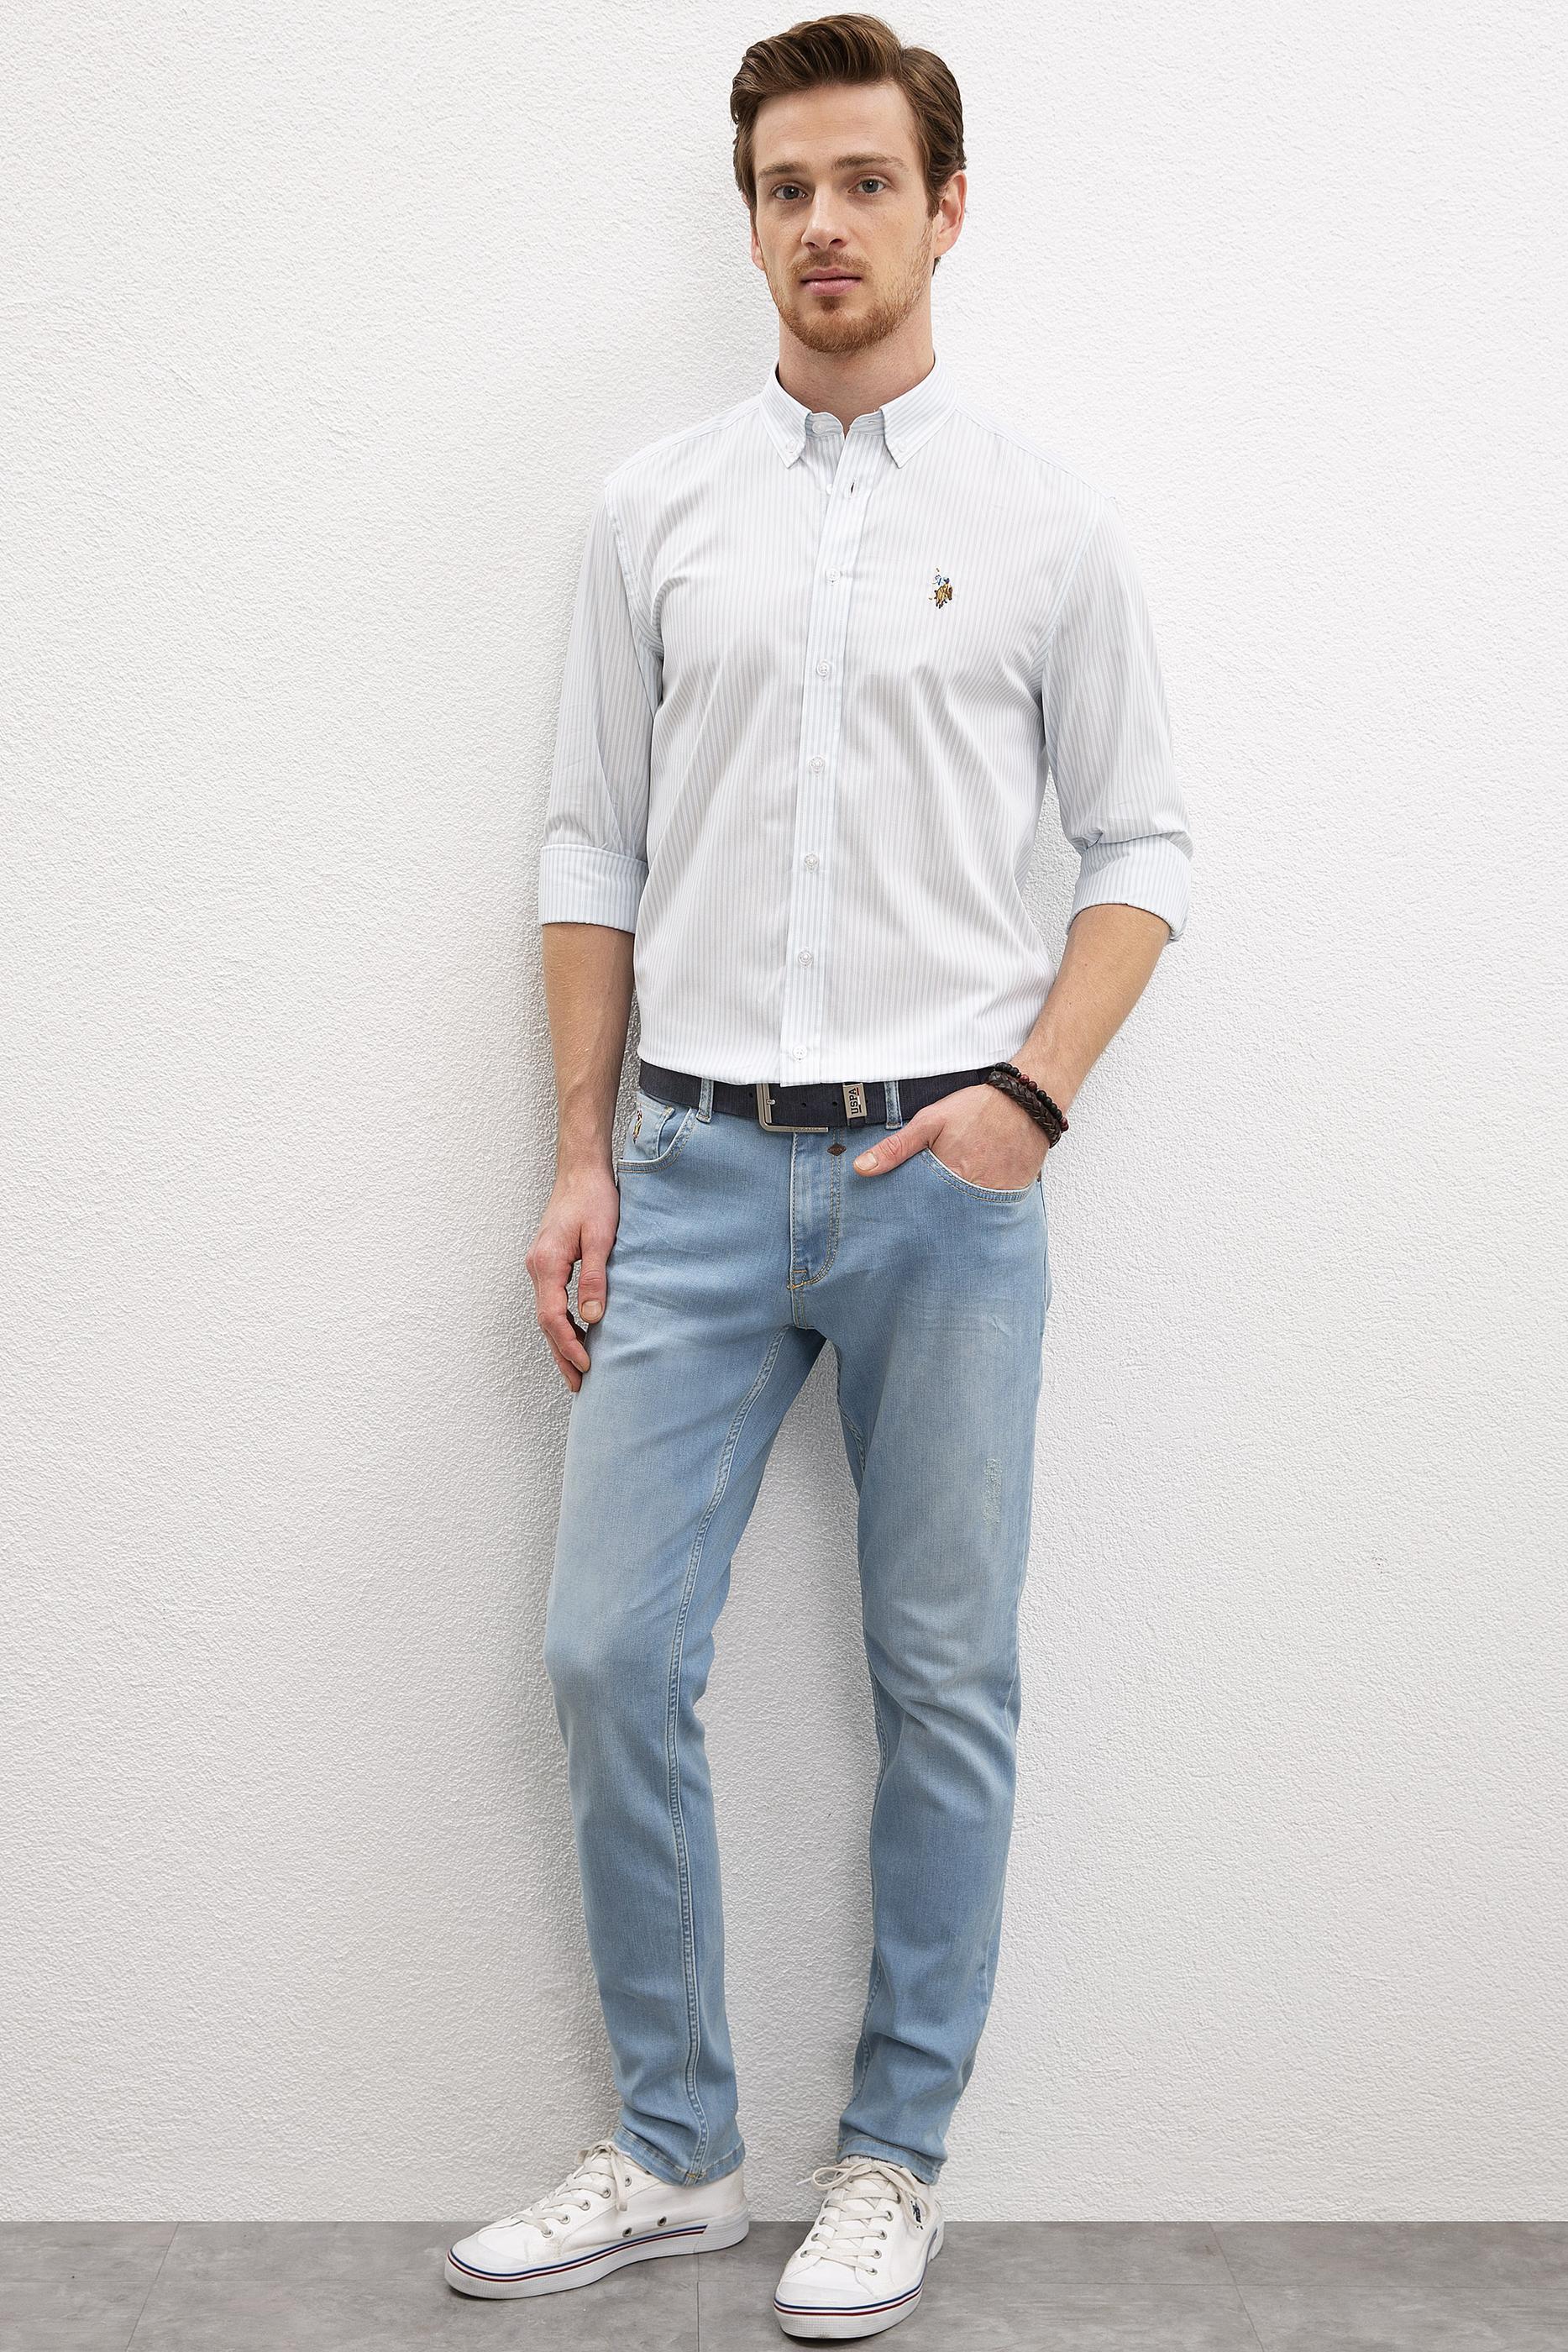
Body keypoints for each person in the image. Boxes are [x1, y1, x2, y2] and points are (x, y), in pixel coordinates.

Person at [445, 12, 1193, 2338]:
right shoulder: (655, 512)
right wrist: (577, 1153)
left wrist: (1029, 1101)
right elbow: (591, 844)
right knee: (605, 1653)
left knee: (941, 1677)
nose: (825, 224)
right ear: (750, 217)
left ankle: (894, 2158)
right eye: (787, 188)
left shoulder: (1047, 523)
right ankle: (677, 2151)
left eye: (867, 182)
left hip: (942, 1181)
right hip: (684, 1167)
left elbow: (1142, 847)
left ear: (945, 207)